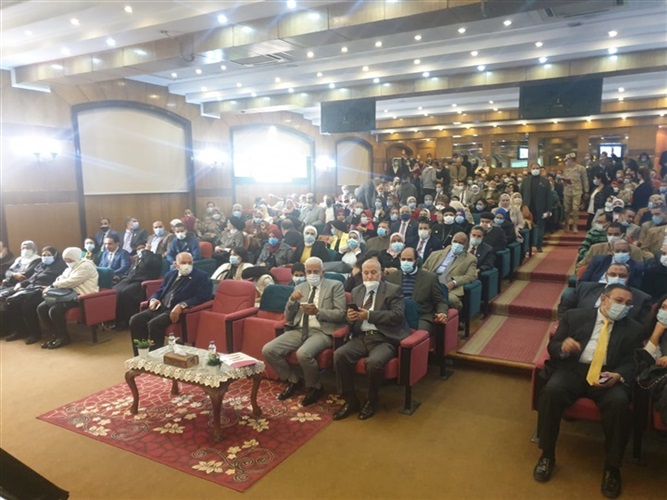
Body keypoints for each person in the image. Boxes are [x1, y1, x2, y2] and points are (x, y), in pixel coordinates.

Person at [534, 285, 643, 498]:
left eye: (628, 304)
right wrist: (563, 348)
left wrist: (619, 375)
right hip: (574, 370)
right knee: (552, 392)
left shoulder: (634, 329)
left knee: (619, 404)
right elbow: (553, 347)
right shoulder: (575, 316)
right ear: (604, 299)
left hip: (607, 374)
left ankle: (612, 467)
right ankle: (547, 455)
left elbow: (633, 361)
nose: (623, 306)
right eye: (619, 301)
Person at [262, 257, 346, 406]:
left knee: (303, 354)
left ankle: (315, 387)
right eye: (309, 272)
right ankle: (293, 380)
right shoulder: (300, 287)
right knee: (268, 350)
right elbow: (288, 316)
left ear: (322, 272)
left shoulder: (335, 285)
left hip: (321, 331)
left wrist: (318, 312)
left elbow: (341, 314)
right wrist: (291, 301)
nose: (312, 275)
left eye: (316, 271)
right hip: (299, 329)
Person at [333, 258, 410, 421]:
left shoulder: (393, 290)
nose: (369, 276)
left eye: (373, 272)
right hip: (361, 336)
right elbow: (350, 320)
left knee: (374, 363)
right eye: (366, 273)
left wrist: (369, 315)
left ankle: (372, 400)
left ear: (380, 273)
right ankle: (351, 400)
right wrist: (350, 317)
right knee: (339, 355)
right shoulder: (357, 291)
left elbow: (397, 316)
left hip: (384, 338)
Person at [129, 252, 211, 355]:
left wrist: (182, 305)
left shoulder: (201, 276)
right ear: (176, 264)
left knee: (154, 324)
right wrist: (154, 299)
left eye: (190, 263)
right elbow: (161, 290)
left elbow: (203, 297)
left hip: (176, 310)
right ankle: (141, 354)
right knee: (135, 320)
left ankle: (155, 357)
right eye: (183, 263)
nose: (187, 265)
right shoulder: (170, 274)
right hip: (161, 306)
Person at [37, 247, 99, 349]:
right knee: (41, 308)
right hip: (66, 294)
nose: (68, 263)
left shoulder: (86, 266)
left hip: (81, 295)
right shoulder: (69, 268)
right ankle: (55, 335)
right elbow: (60, 278)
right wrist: (56, 284)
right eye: (65, 261)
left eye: (70, 260)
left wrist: (53, 285)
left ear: (76, 257)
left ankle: (63, 337)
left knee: (55, 310)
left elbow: (72, 282)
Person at [2, 246, 67, 344]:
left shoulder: (60, 266)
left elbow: (59, 281)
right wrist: (21, 284)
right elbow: (32, 278)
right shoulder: (41, 265)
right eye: (44, 255)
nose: (45, 257)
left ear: (55, 255)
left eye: (49, 255)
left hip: (44, 290)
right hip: (30, 288)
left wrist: (47, 287)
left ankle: (35, 334)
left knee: (27, 305)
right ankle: (19, 330)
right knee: (11, 301)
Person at [558, 263, 651, 324]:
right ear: (606, 276)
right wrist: (567, 326)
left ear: (628, 278)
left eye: (622, 276)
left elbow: (641, 327)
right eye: (613, 275)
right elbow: (564, 308)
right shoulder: (585, 288)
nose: (617, 278)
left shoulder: (642, 298)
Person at [386, 247, 448, 334]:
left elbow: (440, 301)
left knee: (417, 335)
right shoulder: (392, 277)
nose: (406, 262)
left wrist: (442, 313)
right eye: (403, 259)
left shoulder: (430, 278)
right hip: (398, 315)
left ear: (416, 261)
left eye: (409, 260)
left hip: (421, 316)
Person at [423, 232, 477, 311]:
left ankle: (455, 316)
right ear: (451, 241)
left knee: (452, 300)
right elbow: (424, 268)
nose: (457, 244)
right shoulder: (435, 254)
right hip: (432, 282)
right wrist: (429, 277)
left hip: (450, 288)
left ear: (465, 245)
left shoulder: (471, 259)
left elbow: (470, 276)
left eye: (460, 243)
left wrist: (454, 282)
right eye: (455, 241)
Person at [112, 248, 163, 330]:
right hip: (129, 279)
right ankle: (116, 319)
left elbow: (148, 264)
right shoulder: (137, 258)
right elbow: (130, 271)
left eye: (142, 248)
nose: (140, 250)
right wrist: (123, 277)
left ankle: (126, 321)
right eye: (138, 249)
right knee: (115, 290)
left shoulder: (155, 258)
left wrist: (146, 252)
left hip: (141, 281)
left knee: (126, 292)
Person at [578, 239, 644, 288]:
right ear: (612, 251)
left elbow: (636, 288)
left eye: (624, 251)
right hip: (596, 291)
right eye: (617, 251)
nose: (620, 253)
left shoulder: (637, 267)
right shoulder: (599, 261)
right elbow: (583, 281)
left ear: (629, 252)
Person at [520, 163, 553, 252]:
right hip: (528, 208)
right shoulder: (525, 180)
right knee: (528, 227)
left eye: (537, 168)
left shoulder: (545, 181)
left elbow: (549, 196)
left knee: (540, 228)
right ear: (530, 169)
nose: (535, 170)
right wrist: (522, 206)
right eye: (534, 168)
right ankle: (528, 246)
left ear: (540, 169)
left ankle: (539, 245)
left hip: (540, 207)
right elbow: (521, 194)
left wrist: (549, 210)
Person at [561, 153, 589, 233]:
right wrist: (564, 181)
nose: (566, 162)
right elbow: (564, 182)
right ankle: (566, 224)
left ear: (571, 159)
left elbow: (585, 180)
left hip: (577, 191)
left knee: (575, 209)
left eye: (567, 160)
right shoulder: (566, 170)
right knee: (566, 209)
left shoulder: (581, 168)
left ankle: (575, 226)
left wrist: (586, 191)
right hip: (567, 191)